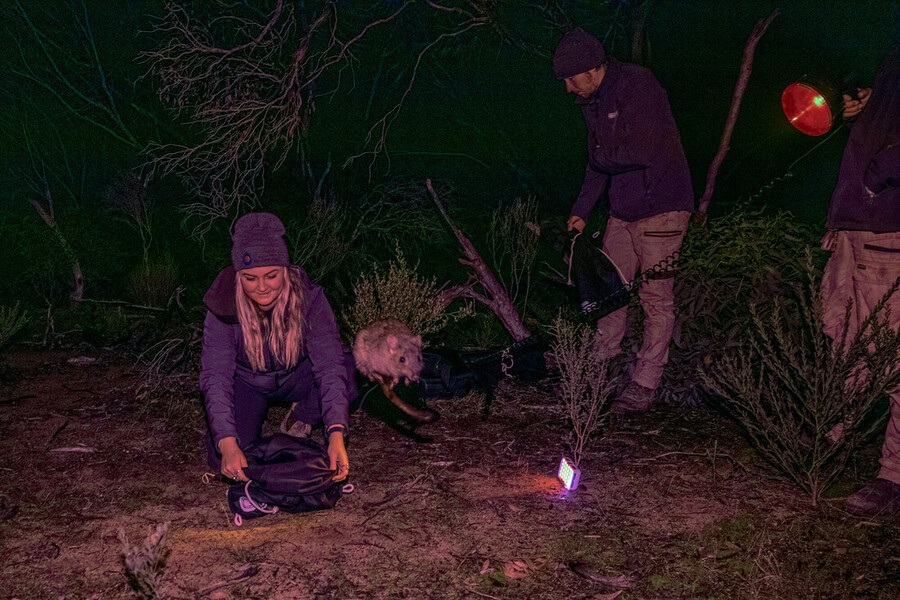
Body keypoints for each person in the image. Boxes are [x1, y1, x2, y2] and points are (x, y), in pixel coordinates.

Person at [553, 27, 694, 413]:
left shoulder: (638, 84)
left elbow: (643, 149)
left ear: (591, 68)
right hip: (623, 210)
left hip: (662, 207)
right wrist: (581, 211)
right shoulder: (591, 102)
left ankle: (645, 383)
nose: (568, 88)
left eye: (570, 78)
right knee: (608, 290)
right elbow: (596, 164)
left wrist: (600, 156)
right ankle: (599, 368)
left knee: (655, 299)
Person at [200, 212, 355, 483]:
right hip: (249, 383)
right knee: (225, 460)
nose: (261, 287)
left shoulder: (310, 299)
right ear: (238, 276)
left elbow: (329, 365)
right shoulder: (221, 305)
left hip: (297, 377)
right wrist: (227, 444)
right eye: (250, 278)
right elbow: (216, 377)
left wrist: (336, 434)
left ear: (284, 269)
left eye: (271, 275)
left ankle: (303, 414)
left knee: (353, 369)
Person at [820, 44, 900, 516]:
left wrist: (878, 174)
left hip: (888, 227)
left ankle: (892, 476)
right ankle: (831, 439)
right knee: (842, 333)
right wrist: (866, 108)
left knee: (891, 353)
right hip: (852, 225)